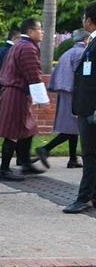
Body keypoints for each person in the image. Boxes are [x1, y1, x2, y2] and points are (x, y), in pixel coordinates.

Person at [0, 18, 47, 181]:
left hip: (15, 91)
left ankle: (25, 163)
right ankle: (4, 170)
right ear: (30, 32)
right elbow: (33, 73)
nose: (42, 32)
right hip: (16, 93)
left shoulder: (19, 45)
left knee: (28, 128)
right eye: (40, 29)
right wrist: (42, 99)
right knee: (12, 132)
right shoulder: (28, 48)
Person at [63, 4, 96, 214]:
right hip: (87, 107)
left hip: (92, 109)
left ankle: (83, 197)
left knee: (90, 154)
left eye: (84, 17)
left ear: (89, 20)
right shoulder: (91, 42)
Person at [36, 37, 85, 170]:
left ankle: (73, 159)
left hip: (65, 91)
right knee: (73, 126)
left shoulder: (69, 52)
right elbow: (81, 74)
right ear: (86, 39)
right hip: (73, 92)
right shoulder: (81, 52)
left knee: (72, 127)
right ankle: (45, 148)